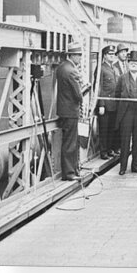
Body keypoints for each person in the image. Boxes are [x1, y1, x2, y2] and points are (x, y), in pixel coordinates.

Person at [56, 42, 87, 181]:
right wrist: (84, 90)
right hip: (70, 112)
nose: (80, 59)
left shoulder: (62, 67)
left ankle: (71, 171)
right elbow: (78, 95)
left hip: (63, 111)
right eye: (79, 56)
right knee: (71, 143)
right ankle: (69, 173)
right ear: (73, 55)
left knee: (68, 142)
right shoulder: (72, 71)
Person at [114, 50, 137, 175]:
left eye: (136, 63)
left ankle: (135, 166)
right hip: (126, 113)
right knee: (125, 141)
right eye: (131, 62)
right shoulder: (122, 78)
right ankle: (123, 167)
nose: (134, 64)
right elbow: (117, 95)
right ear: (128, 64)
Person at [96, 44, 119, 159]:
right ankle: (103, 151)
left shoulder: (114, 69)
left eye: (113, 54)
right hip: (105, 104)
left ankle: (109, 149)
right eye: (110, 54)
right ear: (104, 56)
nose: (112, 56)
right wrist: (101, 104)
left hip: (114, 104)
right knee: (104, 129)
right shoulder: (101, 68)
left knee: (112, 128)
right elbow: (99, 87)